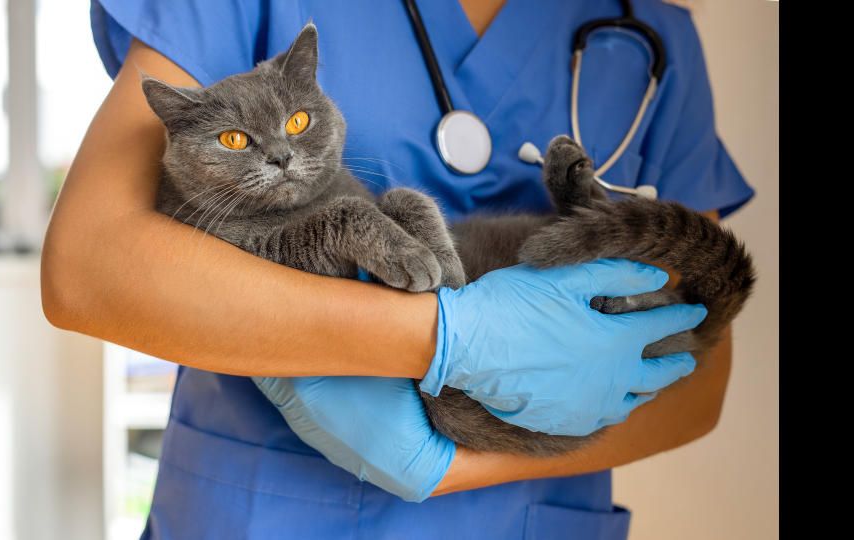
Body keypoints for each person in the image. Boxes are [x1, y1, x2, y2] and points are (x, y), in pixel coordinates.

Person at [41, 0, 754, 537]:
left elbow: (702, 373)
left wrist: (451, 467)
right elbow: (88, 267)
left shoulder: (649, 30)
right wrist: (439, 335)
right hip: (264, 509)